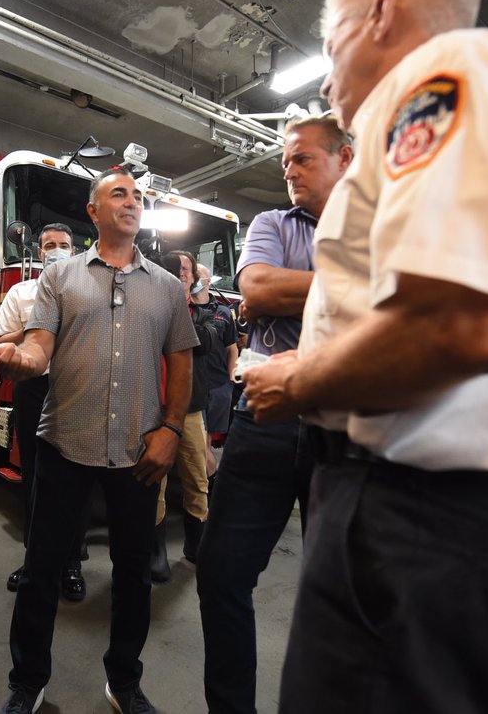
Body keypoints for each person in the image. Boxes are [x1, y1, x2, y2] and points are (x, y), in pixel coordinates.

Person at [243, 0, 488, 714]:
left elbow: (462, 323)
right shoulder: (415, 119)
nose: (332, 69)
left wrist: (298, 378)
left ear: (382, 11)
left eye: (331, 43)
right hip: (410, 508)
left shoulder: (449, 74)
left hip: (421, 518)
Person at [0, 168, 198, 714]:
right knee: (41, 569)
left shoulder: (168, 288)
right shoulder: (61, 277)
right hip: (64, 446)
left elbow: (181, 362)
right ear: (94, 211)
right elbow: (39, 345)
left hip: (137, 452)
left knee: (133, 575)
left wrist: (171, 429)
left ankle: (124, 681)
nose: (132, 202)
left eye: (138, 197)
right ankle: (27, 681)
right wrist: (24, 359)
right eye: (118, 194)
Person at [197, 113, 351, 714]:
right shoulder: (271, 223)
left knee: (338, 589)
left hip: (343, 427)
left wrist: (308, 285)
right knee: (221, 574)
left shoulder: (381, 225)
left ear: (345, 159)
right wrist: (361, 282)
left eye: (302, 158)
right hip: (263, 419)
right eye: (283, 161)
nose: (287, 170)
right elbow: (258, 290)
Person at [0, 223, 88, 602]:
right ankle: (34, 560)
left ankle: (72, 564)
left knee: (78, 475)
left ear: (75, 249)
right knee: (35, 473)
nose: (57, 250)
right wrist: (35, 327)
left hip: (79, 388)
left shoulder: (89, 290)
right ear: (39, 250)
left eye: (64, 244)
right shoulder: (21, 292)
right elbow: (0, 340)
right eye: (50, 245)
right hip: (33, 388)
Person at [152, 250, 219, 580]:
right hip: (152, 409)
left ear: (194, 278)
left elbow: (206, 341)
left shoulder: (207, 313)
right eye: (175, 269)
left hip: (190, 410)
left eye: (187, 270)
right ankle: (156, 553)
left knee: (197, 479)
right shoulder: (149, 310)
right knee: (155, 482)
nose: (182, 274)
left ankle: (197, 547)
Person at [192, 263, 237, 454]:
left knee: (209, 441)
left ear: (208, 281)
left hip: (219, 385)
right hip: (193, 387)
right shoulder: (183, 309)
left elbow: (232, 349)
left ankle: (208, 479)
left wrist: (231, 379)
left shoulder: (224, 313)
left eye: (198, 275)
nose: (194, 278)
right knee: (198, 442)